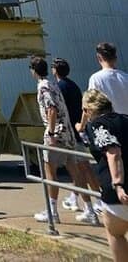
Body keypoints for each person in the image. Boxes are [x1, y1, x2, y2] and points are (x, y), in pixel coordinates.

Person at [30, 55, 78, 224]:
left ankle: (52, 211)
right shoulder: (53, 84)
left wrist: (50, 133)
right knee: (75, 171)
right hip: (68, 133)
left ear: (33, 71)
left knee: (51, 173)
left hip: (55, 134)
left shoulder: (43, 87)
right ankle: (90, 208)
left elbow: (51, 109)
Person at [52, 57, 100, 224]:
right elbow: (83, 108)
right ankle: (82, 199)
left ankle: (92, 206)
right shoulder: (73, 85)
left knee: (80, 169)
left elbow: (58, 110)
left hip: (69, 134)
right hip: (77, 131)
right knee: (83, 168)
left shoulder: (59, 88)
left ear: (55, 70)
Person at [83, 88, 128, 262]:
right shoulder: (125, 119)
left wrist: (118, 183)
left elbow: (113, 151)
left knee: (115, 234)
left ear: (88, 111)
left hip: (118, 192)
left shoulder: (96, 125)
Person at [89, 43, 128, 115]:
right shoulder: (125, 77)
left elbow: (91, 104)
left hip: (109, 123)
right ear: (115, 57)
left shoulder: (96, 78)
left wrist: (82, 125)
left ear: (99, 57)